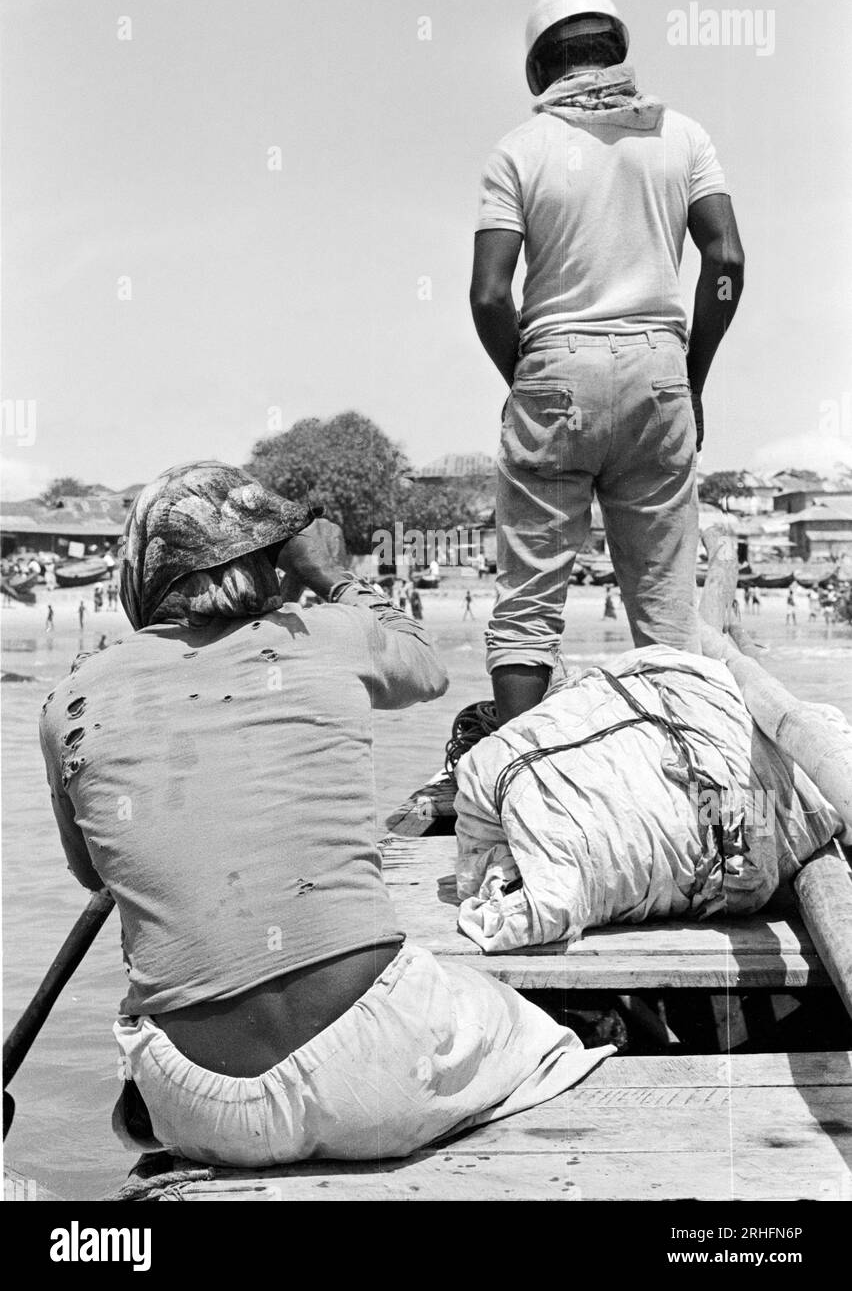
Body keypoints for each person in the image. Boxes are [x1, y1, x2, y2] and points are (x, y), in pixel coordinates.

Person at [39, 461, 608, 1168]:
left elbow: (94, 870)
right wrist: (335, 576)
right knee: (543, 1038)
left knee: (153, 1045)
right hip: (377, 1068)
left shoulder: (70, 702)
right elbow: (424, 670)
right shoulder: (327, 633)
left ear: (141, 573)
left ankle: (171, 1116)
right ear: (269, 568)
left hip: (200, 1098)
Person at [470, 0, 745, 724]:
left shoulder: (519, 151)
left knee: (527, 605)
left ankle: (520, 777)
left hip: (555, 364)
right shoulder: (682, 137)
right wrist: (691, 381)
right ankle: (692, 789)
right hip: (660, 367)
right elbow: (726, 260)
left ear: (538, 71)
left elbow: (491, 296)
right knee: (665, 613)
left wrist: (528, 379)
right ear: (619, 52)